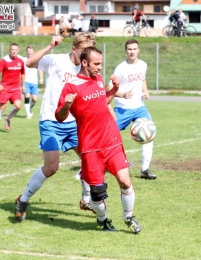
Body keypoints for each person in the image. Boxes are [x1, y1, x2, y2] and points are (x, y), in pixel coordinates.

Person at [55, 46, 141, 234]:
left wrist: (115, 89)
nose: (100, 68)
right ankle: (102, 219)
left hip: (112, 141)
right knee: (97, 193)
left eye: (101, 63)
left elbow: (103, 100)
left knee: (125, 182)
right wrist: (67, 104)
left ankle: (129, 217)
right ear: (84, 63)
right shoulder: (71, 86)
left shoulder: (99, 80)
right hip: (90, 147)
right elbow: (60, 117)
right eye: (96, 64)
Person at [14, 33, 96, 222]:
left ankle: (86, 200)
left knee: (88, 159)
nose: (85, 57)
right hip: (51, 120)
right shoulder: (56, 60)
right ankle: (23, 199)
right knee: (51, 167)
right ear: (74, 48)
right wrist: (50, 45)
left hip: (74, 122)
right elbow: (29, 62)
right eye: (83, 52)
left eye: (88, 53)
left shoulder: (86, 69)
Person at [107, 39, 156, 180]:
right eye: (129, 49)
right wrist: (123, 94)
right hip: (123, 108)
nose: (132, 51)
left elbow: (142, 80)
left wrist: (145, 92)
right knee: (108, 133)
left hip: (140, 107)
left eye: (134, 49)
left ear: (138, 50)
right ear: (125, 51)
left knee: (149, 134)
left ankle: (145, 169)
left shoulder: (143, 65)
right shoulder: (120, 68)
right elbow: (109, 88)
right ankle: (105, 162)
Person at [0, 43, 25, 130]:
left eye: (15, 50)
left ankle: (7, 118)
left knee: (18, 106)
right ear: (9, 50)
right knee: (2, 106)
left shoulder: (21, 60)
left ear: (18, 50)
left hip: (15, 88)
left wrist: (23, 85)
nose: (14, 51)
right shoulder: (4, 60)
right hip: (5, 87)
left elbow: (22, 73)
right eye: (12, 49)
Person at [23, 45, 44, 119]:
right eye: (28, 51)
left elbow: (40, 69)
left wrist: (41, 78)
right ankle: (28, 114)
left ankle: (29, 108)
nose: (29, 53)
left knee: (35, 99)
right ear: (27, 52)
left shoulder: (36, 60)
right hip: (26, 81)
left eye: (31, 51)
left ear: (33, 52)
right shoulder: (24, 60)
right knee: (27, 97)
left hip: (34, 82)